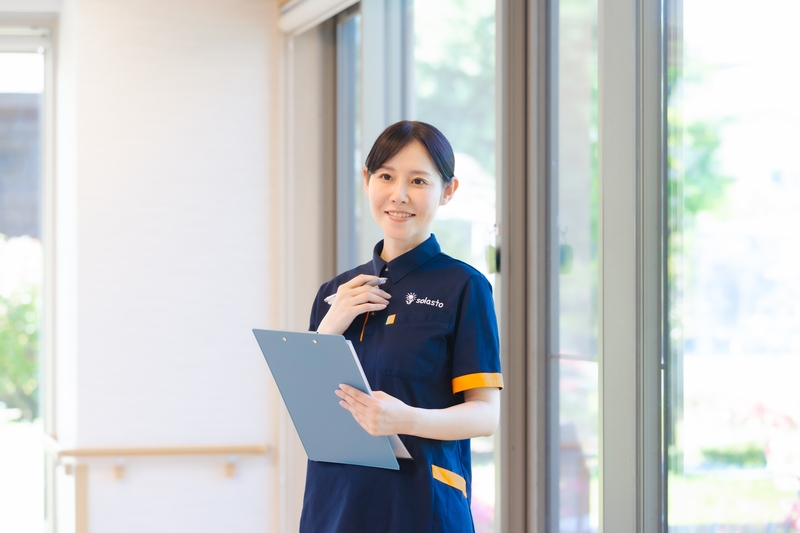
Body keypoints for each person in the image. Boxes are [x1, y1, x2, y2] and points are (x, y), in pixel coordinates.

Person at [301, 120, 504, 533]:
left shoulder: (464, 286)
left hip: (419, 506)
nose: (399, 195)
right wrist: (328, 329)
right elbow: (310, 409)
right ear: (366, 180)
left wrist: (405, 419)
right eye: (386, 177)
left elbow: (485, 416)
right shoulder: (336, 291)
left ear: (448, 191)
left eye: (418, 181)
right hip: (337, 502)